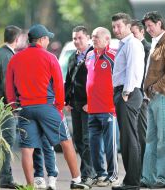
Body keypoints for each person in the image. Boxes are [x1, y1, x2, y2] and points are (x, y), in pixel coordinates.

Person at [5, 24, 90, 190]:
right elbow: (59, 85)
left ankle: (30, 185)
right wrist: (59, 106)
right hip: (47, 106)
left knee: (27, 149)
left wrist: (14, 106)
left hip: (25, 108)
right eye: (47, 38)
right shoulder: (50, 57)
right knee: (66, 142)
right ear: (42, 39)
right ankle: (77, 180)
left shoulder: (15, 58)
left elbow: (9, 87)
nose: (48, 41)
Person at [141, 11, 165, 189]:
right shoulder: (157, 42)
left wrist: (156, 89)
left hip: (163, 96)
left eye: (150, 25)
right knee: (151, 140)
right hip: (153, 97)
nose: (148, 29)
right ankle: (148, 178)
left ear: (159, 24)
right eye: (146, 26)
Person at [15, 29, 59, 190]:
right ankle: (42, 177)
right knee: (40, 145)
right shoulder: (41, 58)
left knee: (42, 144)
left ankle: (49, 177)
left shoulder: (44, 59)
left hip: (38, 106)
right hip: (41, 107)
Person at [111, 13, 145, 190]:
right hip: (124, 93)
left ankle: (132, 182)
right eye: (114, 26)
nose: (116, 30)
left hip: (128, 93)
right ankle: (130, 180)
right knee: (127, 139)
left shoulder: (132, 44)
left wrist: (126, 92)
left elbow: (133, 69)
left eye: (119, 26)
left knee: (130, 139)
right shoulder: (124, 44)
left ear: (127, 26)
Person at [0, 25, 22, 189]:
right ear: (17, 39)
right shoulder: (8, 56)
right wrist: (13, 106)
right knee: (7, 141)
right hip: (4, 107)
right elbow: (7, 84)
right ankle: (5, 178)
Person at [85, 27, 119, 187]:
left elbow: (120, 80)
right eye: (92, 37)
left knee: (110, 145)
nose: (93, 39)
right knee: (94, 145)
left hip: (108, 109)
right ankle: (101, 175)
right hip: (92, 109)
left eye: (97, 37)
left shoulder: (113, 56)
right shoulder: (89, 55)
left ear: (107, 40)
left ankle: (113, 175)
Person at [64, 26, 95, 186]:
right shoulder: (72, 57)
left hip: (88, 105)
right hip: (74, 105)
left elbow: (97, 82)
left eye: (80, 38)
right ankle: (91, 171)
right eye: (74, 38)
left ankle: (87, 174)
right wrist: (66, 101)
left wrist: (91, 102)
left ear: (88, 38)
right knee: (78, 140)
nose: (76, 41)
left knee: (87, 139)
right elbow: (68, 80)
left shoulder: (93, 56)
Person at [131, 19, 151, 169]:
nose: (132, 37)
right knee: (134, 135)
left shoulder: (147, 48)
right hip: (132, 96)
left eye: (134, 33)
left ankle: (144, 170)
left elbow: (147, 73)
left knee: (141, 134)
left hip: (143, 97)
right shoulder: (131, 48)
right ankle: (138, 170)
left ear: (142, 32)